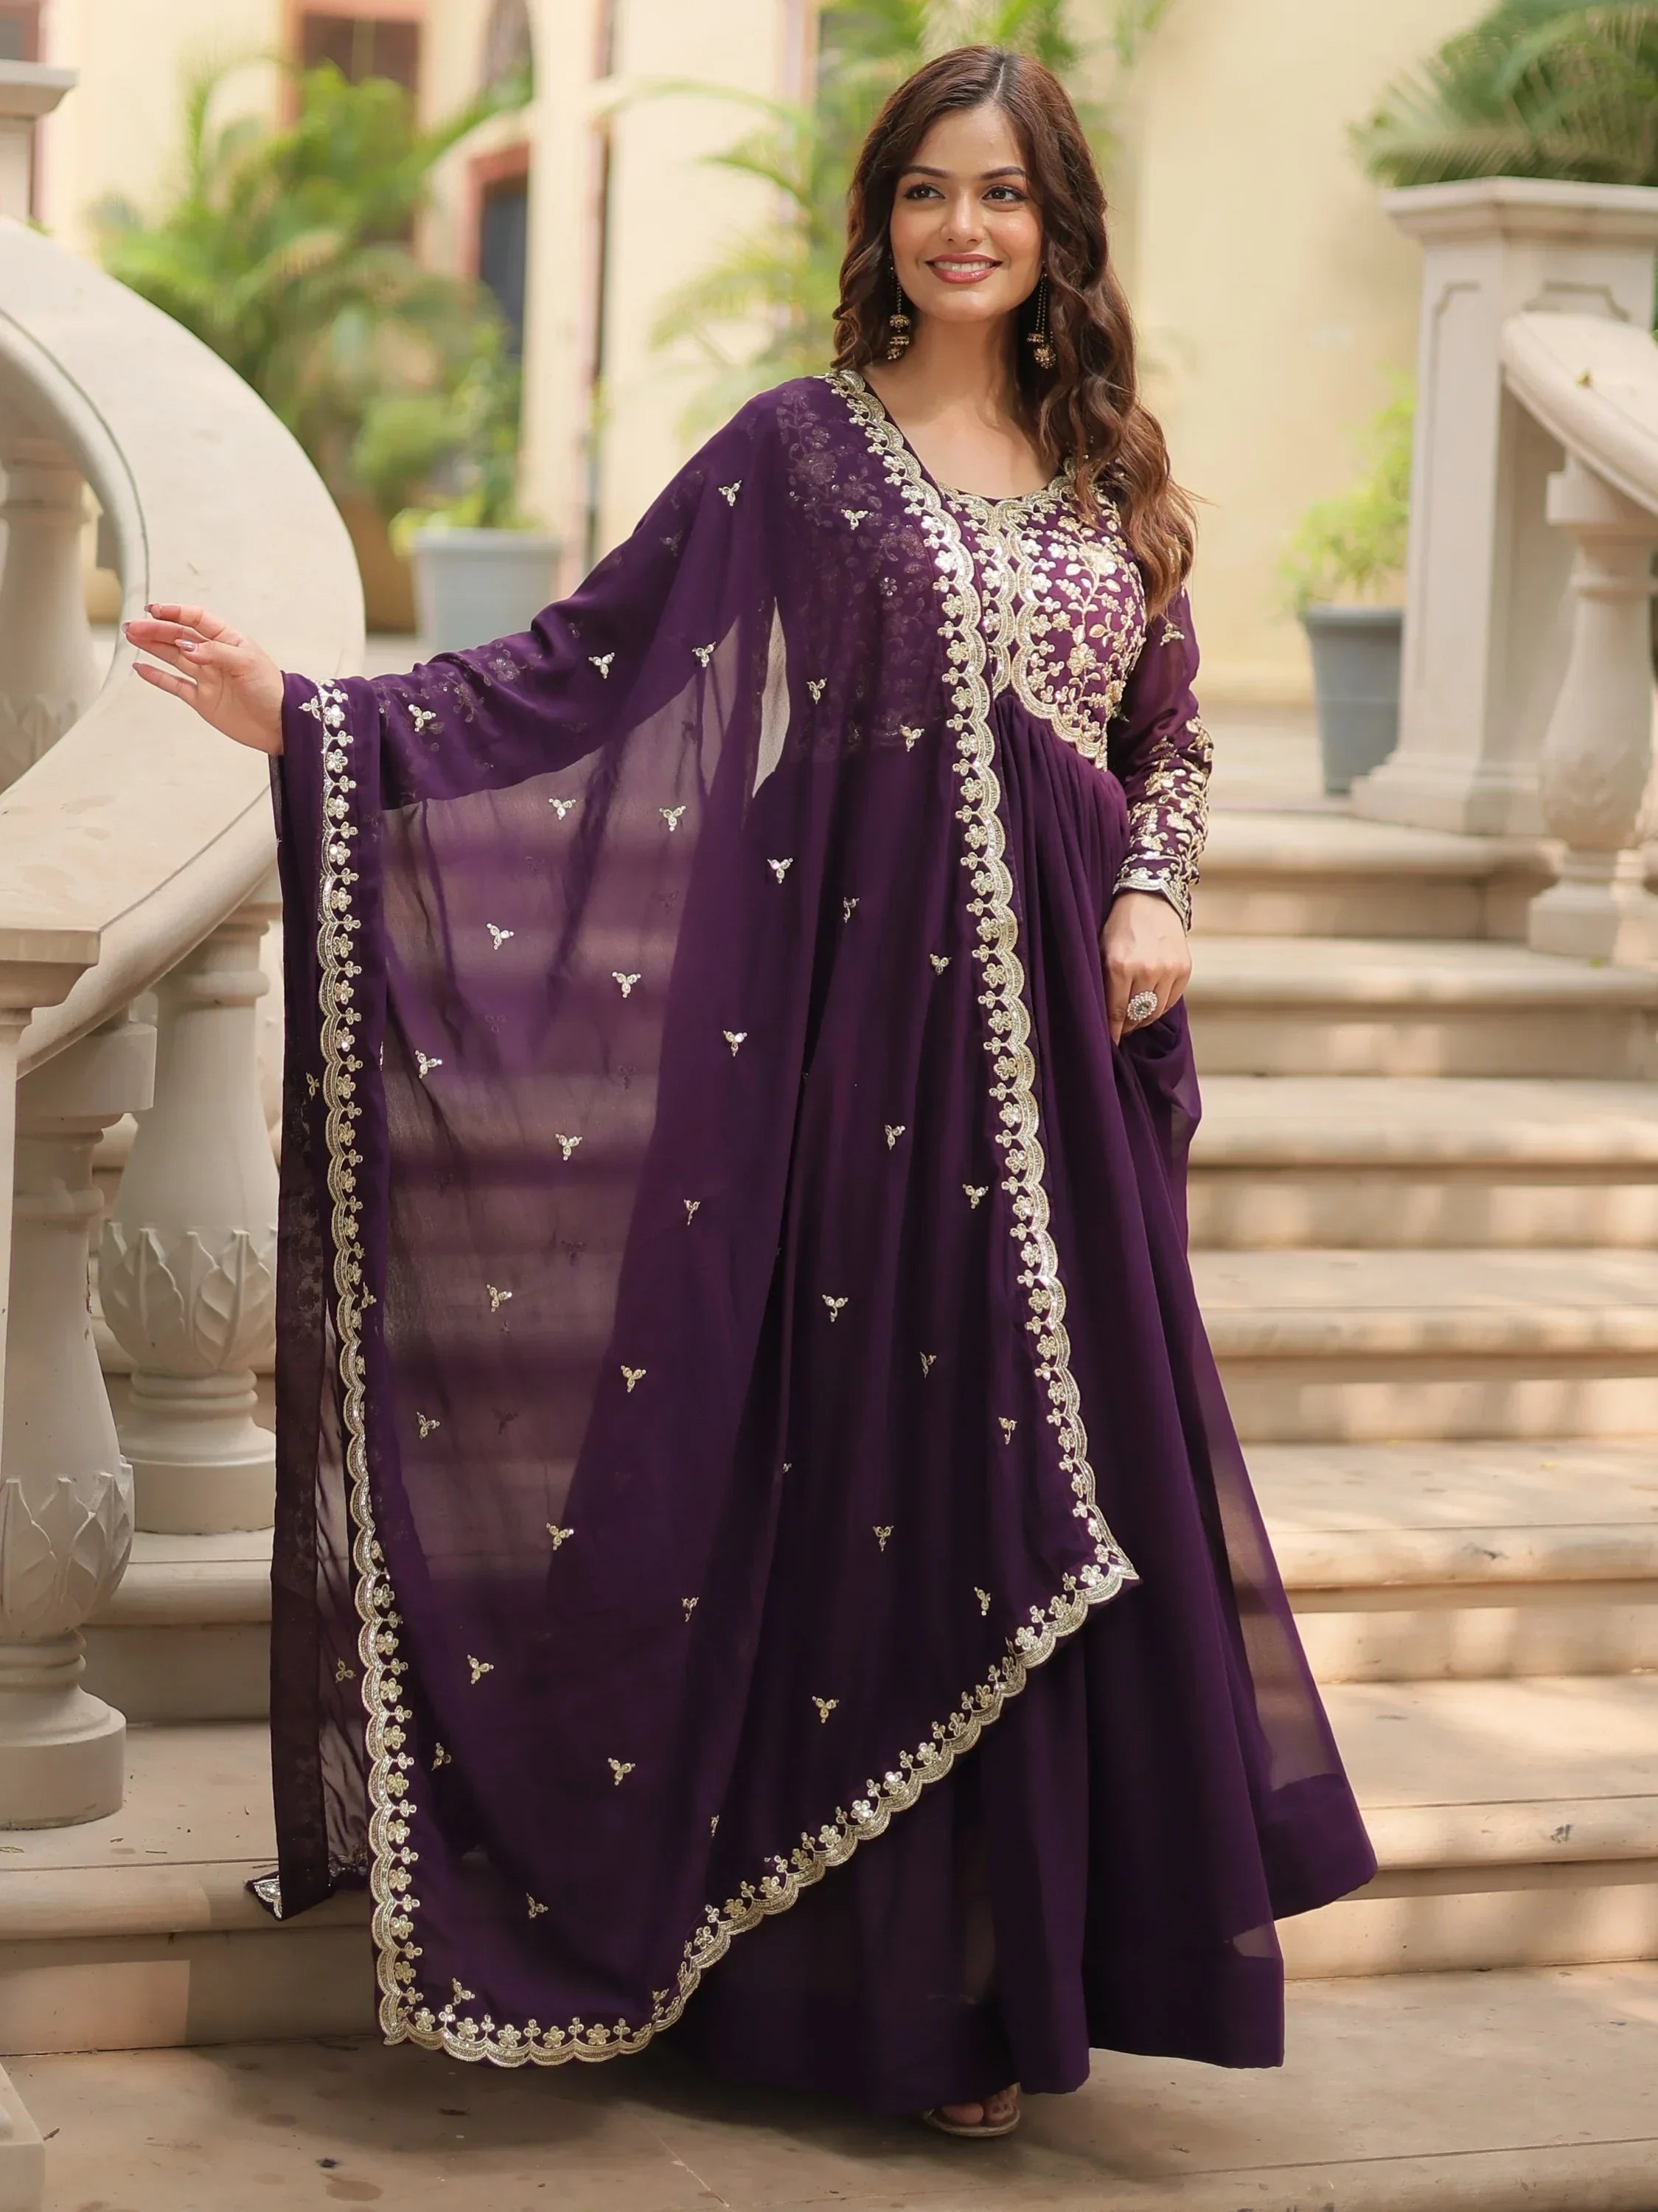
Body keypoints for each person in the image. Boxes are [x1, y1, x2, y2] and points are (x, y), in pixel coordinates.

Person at [125, 44, 1374, 2143]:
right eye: (925, 193)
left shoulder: (1102, 474)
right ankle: (839, 1987)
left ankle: (1011, 1977)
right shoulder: (800, 451)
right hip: (849, 1042)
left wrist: (1156, 895)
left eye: (1004, 198)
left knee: (1048, 1487)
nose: (963, 229)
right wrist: (317, 717)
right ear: (878, 221)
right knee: (866, 1457)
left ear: (1058, 234)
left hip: (1061, 1063)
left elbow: (1170, 736)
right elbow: (583, 666)